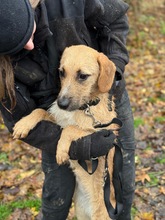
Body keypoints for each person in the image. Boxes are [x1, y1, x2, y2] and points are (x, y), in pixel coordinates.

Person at [0, 0, 136, 219]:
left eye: (28, 34)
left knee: (122, 185)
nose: (29, 46)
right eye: (17, 48)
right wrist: (70, 141)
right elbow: (16, 116)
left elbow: (115, 19)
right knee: (56, 193)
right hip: (54, 120)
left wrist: (113, 70)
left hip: (105, 97)